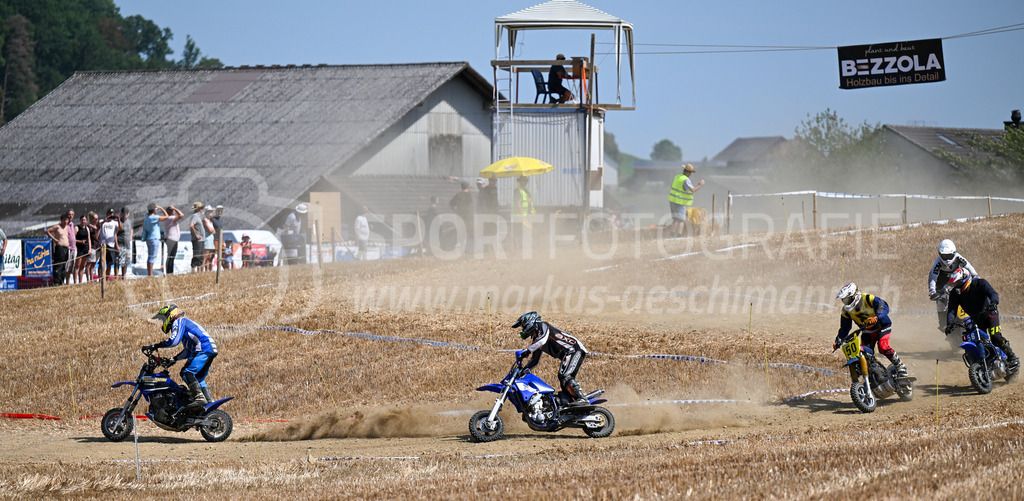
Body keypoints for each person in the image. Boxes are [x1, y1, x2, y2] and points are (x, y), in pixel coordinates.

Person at [146, 304, 219, 413]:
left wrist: (155, 345)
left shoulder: (179, 322)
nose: (163, 321)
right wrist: (173, 359)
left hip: (203, 348)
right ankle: (209, 402)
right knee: (197, 378)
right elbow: (188, 351)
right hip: (209, 349)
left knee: (186, 372)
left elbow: (173, 341)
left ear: (170, 315)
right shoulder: (186, 324)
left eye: (164, 318)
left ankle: (199, 398)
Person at [945, 269, 1018, 373]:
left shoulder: (980, 283)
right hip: (975, 319)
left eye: (958, 282)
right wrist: (949, 324)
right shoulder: (955, 294)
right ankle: (986, 365)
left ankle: (1012, 358)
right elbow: (952, 309)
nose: (957, 285)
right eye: (955, 283)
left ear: (966, 278)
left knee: (995, 336)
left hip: (990, 313)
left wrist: (994, 303)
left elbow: (993, 293)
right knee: (978, 341)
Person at [513, 311, 591, 406]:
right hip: (569, 353)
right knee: (563, 381)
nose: (522, 329)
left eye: (522, 326)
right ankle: (572, 402)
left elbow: (542, 340)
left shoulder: (543, 326)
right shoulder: (537, 339)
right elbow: (534, 360)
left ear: (529, 321)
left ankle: (582, 398)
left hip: (574, 350)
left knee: (565, 375)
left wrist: (527, 351)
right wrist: (521, 372)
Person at [834, 283, 908, 377]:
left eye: (847, 299)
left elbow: (884, 306)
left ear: (854, 295)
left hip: (882, 326)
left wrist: (877, 317)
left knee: (882, 347)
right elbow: (845, 327)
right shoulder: (845, 311)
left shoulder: (868, 298)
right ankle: (876, 374)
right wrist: (838, 340)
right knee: (863, 352)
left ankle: (900, 367)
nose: (846, 302)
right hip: (867, 331)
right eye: (844, 300)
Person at [927, 239, 978, 332]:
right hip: (941, 282)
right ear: (940, 254)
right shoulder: (937, 263)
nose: (947, 259)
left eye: (949, 256)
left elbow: (970, 268)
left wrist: (976, 278)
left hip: (955, 279)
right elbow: (932, 277)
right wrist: (932, 291)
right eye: (944, 256)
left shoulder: (959, 258)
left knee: (966, 292)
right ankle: (942, 323)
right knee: (940, 300)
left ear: (954, 253)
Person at [668, 164, 705, 237]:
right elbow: (693, 190)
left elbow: (672, 186)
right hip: (679, 201)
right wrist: (700, 185)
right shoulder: (685, 180)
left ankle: (672, 235)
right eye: (690, 173)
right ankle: (679, 236)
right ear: (688, 172)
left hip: (672, 200)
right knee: (681, 220)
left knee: (675, 219)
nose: (690, 174)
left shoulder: (677, 176)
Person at [44, 213, 72, 286]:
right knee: (58, 265)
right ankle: (56, 282)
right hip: (60, 247)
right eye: (64, 220)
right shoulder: (57, 227)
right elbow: (47, 231)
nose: (65, 222)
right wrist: (54, 239)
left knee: (64, 265)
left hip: (66, 248)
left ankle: (62, 280)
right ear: (61, 220)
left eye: (66, 220)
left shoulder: (67, 227)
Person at [159, 205, 184, 275]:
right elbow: (182, 215)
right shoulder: (171, 218)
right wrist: (176, 208)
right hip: (172, 239)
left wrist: (162, 208)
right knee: (171, 257)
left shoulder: (167, 218)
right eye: (173, 210)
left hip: (170, 238)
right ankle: (170, 272)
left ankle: (169, 272)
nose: (175, 211)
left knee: (170, 257)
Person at [449, 181, 474, 252]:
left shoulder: (458, 194)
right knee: (469, 232)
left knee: (461, 232)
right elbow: (471, 206)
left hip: (460, 217)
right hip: (468, 217)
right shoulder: (469, 195)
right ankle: (468, 249)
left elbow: (450, 204)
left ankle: (461, 249)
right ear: (468, 187)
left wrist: (456, 211)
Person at [513, 176, 535, 252]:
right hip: (520, 215)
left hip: (527, 215)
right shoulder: (518, 190)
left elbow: (529, 202)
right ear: (520, 181)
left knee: (526, 231)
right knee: (519, 232)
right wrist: (522, 214)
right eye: (523, 181)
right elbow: (517, 202)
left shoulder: (526, 190)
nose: (524, 182)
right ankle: (518, 248)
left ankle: (525, 248)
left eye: (526, 181)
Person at [99, 209, 121, 278]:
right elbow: (99, 225)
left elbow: (120, 229)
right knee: (101, 263)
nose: (110, 215)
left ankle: (106, 278)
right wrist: (106, 219)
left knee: (109, 263)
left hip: (111, 244)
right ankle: (100, 279)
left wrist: (119, 220)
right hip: (103, 244)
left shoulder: (114, 223)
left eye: (112, 214)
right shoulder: (103, 221)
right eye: (109, 214)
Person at [142, 203, 161, 276]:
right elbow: (166, 216)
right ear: (153, 210)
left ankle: (149, 273)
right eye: (156, 209)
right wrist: (161, 208)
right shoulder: (154, 217)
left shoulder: (147, 217)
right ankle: (150, 274)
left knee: (150, 256)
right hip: (154, 238)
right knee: (153, 257)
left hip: (149, 238)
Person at [189, 202, 206, 272]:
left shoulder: (198, 217)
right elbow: (191, 225)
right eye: (201, 208)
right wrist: (195, 234)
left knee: (201, 257)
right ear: (199, 209)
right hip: (197, 240)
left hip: (201, 240)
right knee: (197, 256)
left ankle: (199, 271)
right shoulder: (195, 216)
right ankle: (193, 270)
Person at [73, 215, 91, 284]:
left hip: (85, 248)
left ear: (86, 221)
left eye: (84, 220)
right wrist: (80, 242)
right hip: (79, 248)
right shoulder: (77, 228)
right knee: (77, 265)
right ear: (80, 220)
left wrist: (89, 249)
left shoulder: (87, 228)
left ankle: (80, 281)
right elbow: (73, 239)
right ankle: (75, 282)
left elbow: (89, 239)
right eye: (82, 220)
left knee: (82, 266)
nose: (83, 221)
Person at [117, 208, 132, 278]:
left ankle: (124, 276)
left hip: (127, 245)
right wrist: (116, 245)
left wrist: (131, 237)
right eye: (124, 213)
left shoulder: (129, 222)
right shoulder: (118, 222)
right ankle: (116, 276)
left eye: (126, 213)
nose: (125, 215)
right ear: (121, 213)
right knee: (119, 262)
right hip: (120, 245)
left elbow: (131, 229)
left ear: (128, 214)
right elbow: (116, 233)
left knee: (126, 262)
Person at [202, 206, 216, 271]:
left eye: (211, 212)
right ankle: (201, 270)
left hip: (211, 239)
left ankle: (207, 270)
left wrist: (212, 230)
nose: (211, 213)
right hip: (207, 240)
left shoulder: (210, 221)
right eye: (209, 212)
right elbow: (210, 230)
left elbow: (214, 231)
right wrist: (212, 230)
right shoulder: (205, 220)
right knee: (205, 256)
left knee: (209, 257)